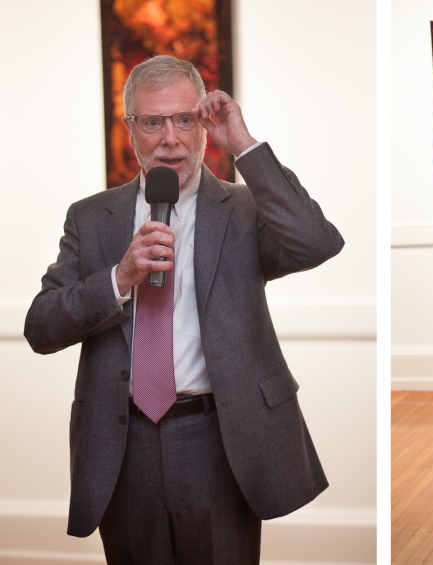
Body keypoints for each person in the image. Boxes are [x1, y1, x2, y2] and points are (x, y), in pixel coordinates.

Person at [24, 55, 344, 563]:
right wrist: (118, 278)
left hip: (220, 439)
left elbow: (315, 242)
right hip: (122, 447)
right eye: (153, 121)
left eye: (184, 119)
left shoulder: (245, 209)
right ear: (131, 130)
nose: (169, 137)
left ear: (203, 126)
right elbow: (41, 327)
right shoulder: (90, 218)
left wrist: (243, 145)